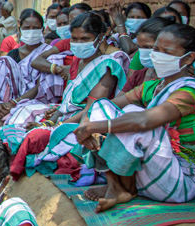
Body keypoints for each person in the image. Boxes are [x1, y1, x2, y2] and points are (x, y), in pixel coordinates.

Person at [72, 24, 195, 211]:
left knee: (137, 120)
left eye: (168, 51)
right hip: (150, 173)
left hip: (179, 181)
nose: (158, 55)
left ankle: (124, 187)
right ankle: (116, 186)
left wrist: (93, 128)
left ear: (189, 58)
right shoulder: (153, 87)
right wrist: (86, 122)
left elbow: (144, 121)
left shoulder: (189, 92)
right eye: (156, 49)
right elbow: (106, 106)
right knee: (102, 106)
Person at [11, 10, 130, 175]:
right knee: (14, 130)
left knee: (34, 139)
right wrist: (50, 122)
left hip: (84, 124)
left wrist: (58, 126)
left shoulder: (107, 66)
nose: (79, 43)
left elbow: (90, 109)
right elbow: (66, 103)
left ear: (100, 38)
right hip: (65, 119)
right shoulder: (78, 63)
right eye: (75, 39)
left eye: (85, 39)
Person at [0, 9, 62, 128]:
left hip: (36, 98)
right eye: (27, 27)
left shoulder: (48, 53)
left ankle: (2, 116)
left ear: (42, 28)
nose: (31, 31)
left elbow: (40, 86)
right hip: (10, 99)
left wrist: (15, 102)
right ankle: (1, 111)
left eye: (35, 27)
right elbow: (0, 80)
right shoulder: (14, 54)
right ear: (20, 27)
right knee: (2, 62)